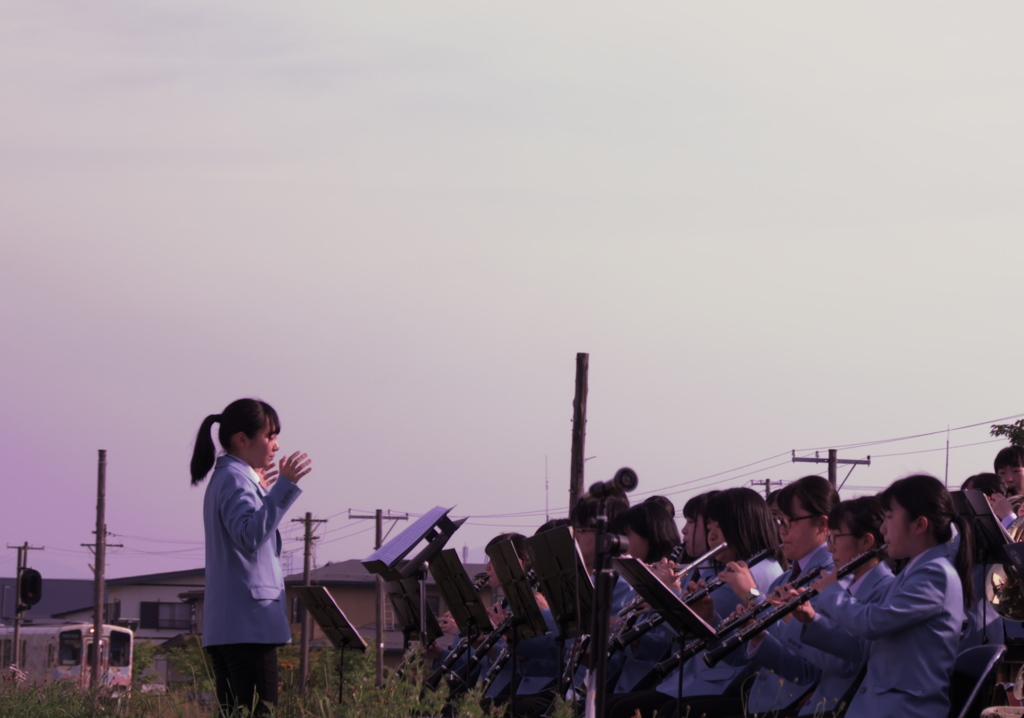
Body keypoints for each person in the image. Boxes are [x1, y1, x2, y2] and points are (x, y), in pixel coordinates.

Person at [811, 474, 973, 718]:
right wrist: (809, 618)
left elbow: (871, 623)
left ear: (919, 525)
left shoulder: (934, 573)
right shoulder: (914, 571)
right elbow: (860, 647)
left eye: (889, 517)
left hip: (904, 710)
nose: (882, 529)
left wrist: (832, 592)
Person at [190, 398, 312, 716]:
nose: (276, 445)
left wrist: (264, 492)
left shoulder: (232, 476)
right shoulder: (234, 478)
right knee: (259, 710)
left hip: (232, 624)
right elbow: (248, 536)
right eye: (270, 436)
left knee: (236, 711)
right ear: (242, 439)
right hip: (247, 625)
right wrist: (283, 488)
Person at [789, 496, 895, 717]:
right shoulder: (845, 587)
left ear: (866, 542)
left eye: (836, 537)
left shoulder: (885, 590)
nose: (830, 548)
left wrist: (804, 621)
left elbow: (850, 663)